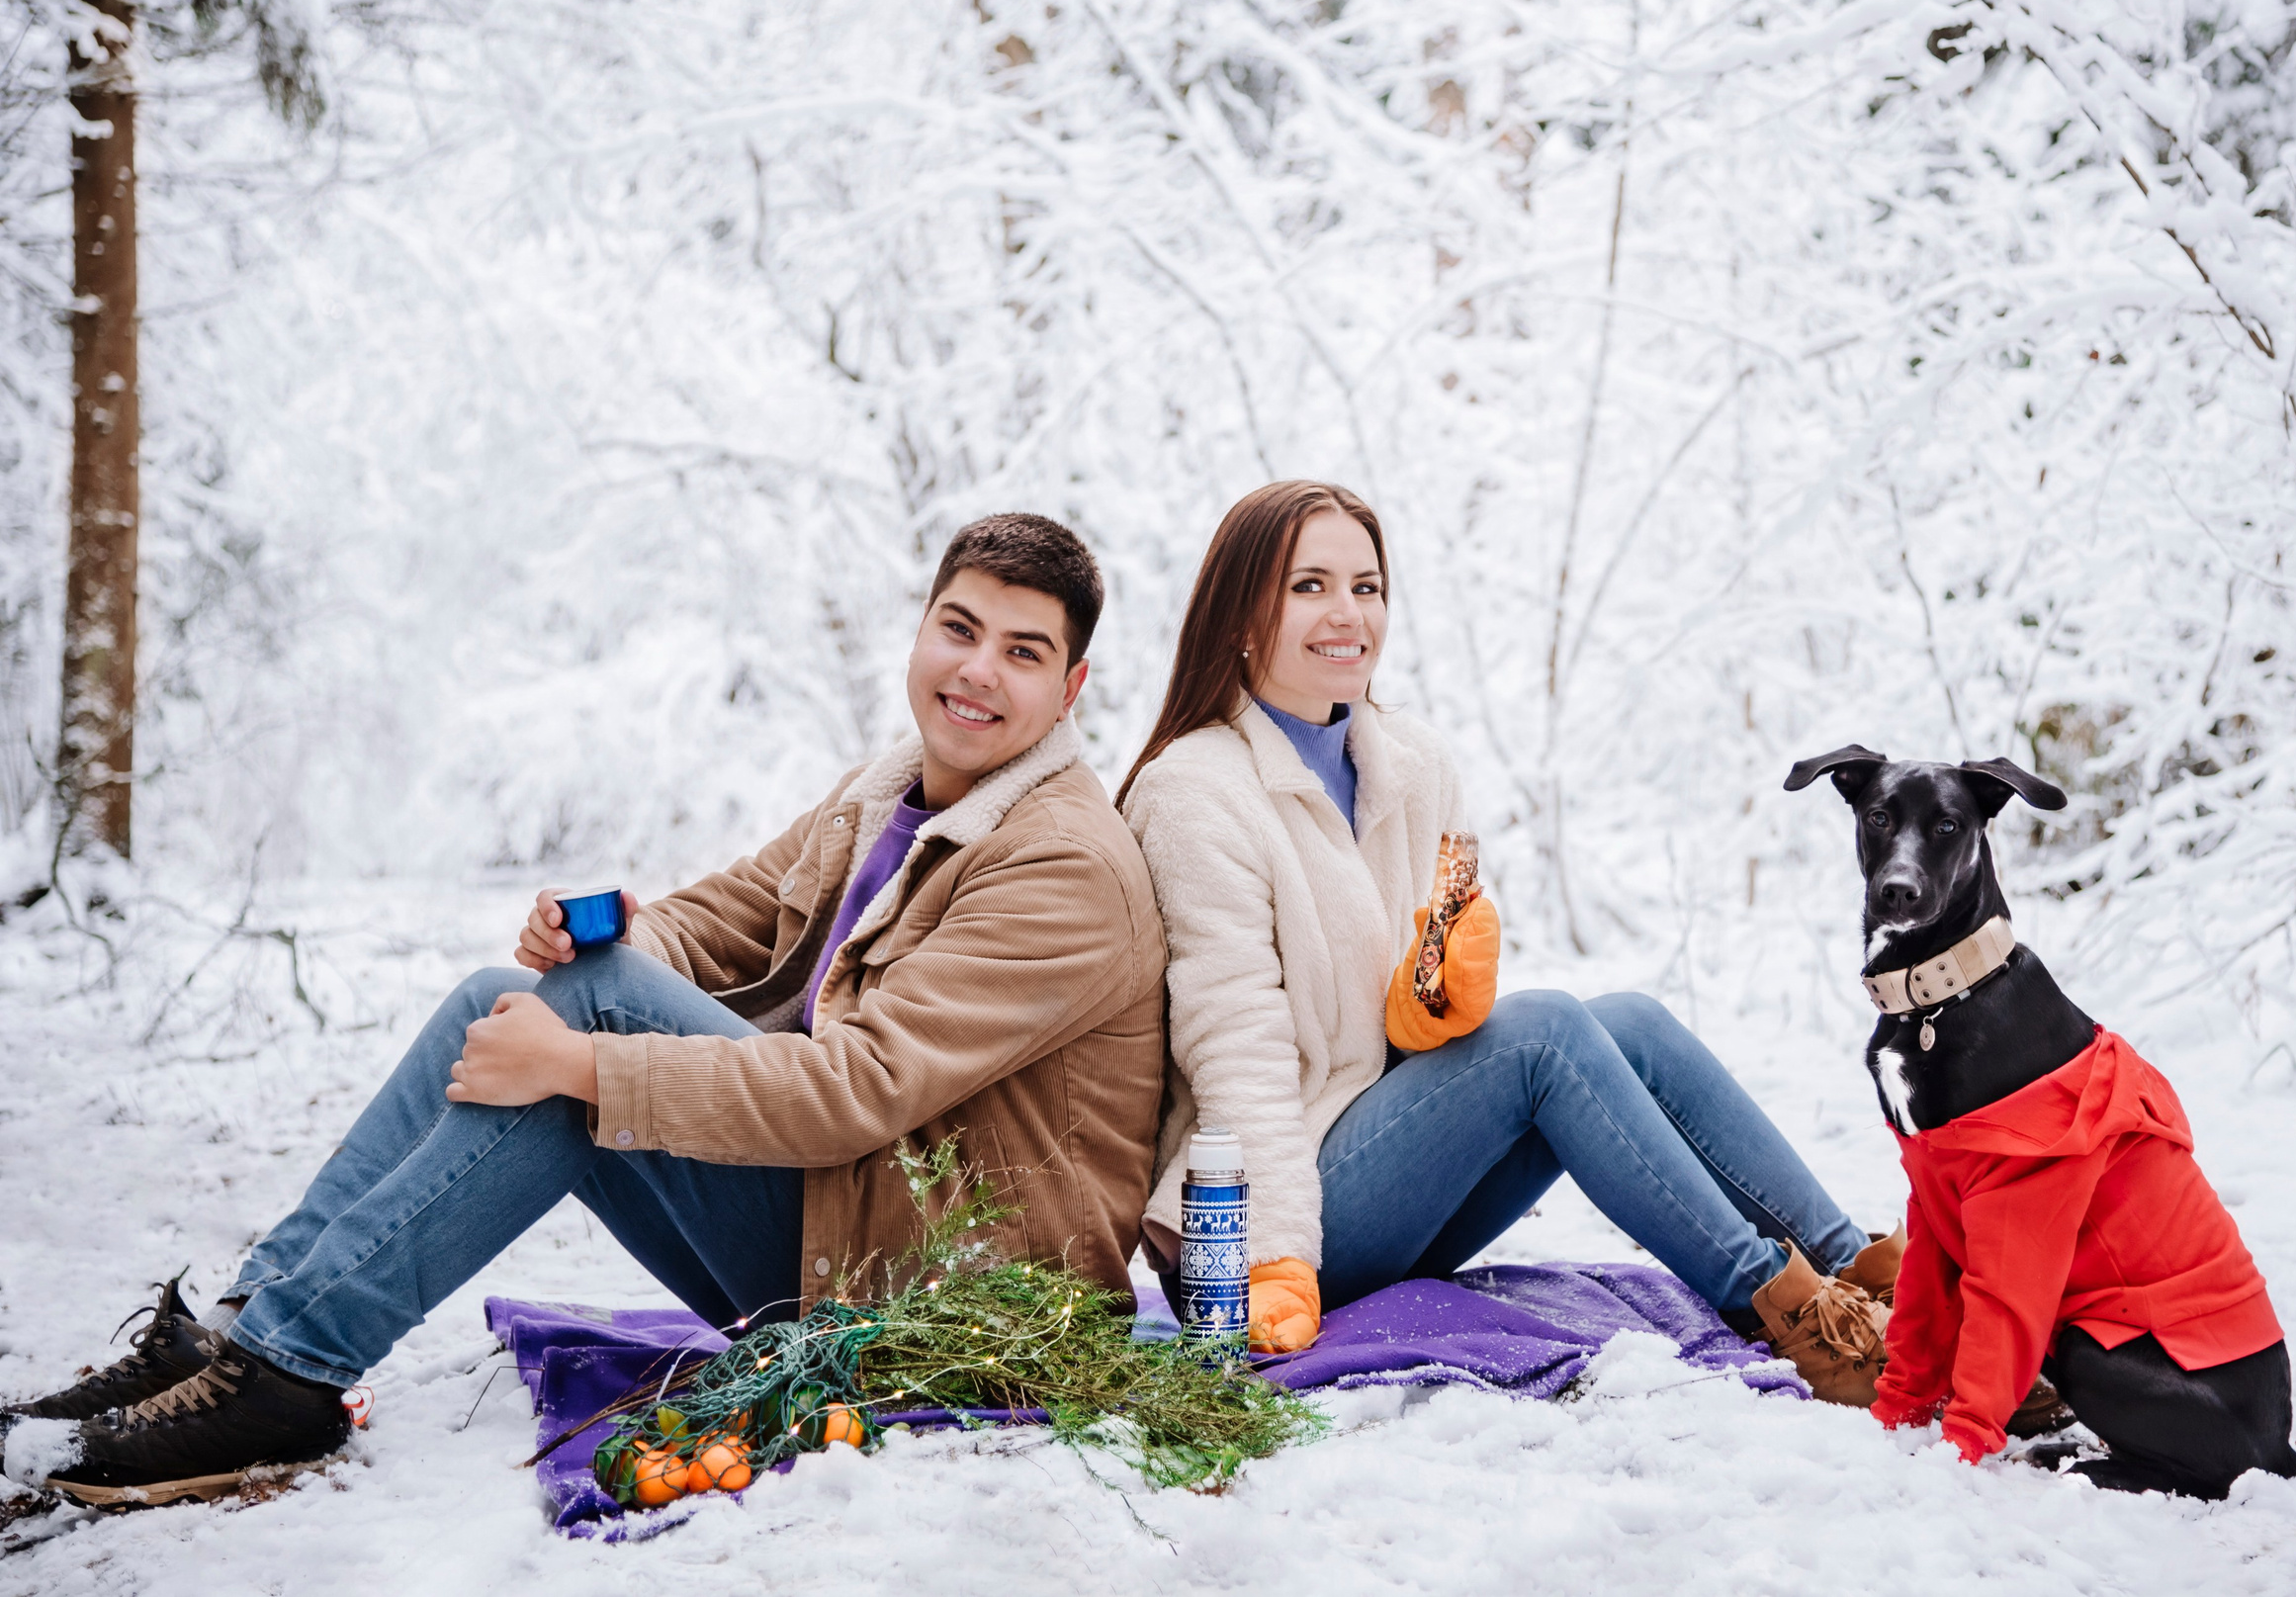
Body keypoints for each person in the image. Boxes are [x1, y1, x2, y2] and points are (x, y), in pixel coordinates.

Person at [4, 514, 1168, 1506]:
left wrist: (588, 1055)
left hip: (946, 1299)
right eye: (959, 630)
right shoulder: (894, 788)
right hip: (847, 1225)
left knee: (578, 1048)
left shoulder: (1060, 862)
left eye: (1022, 652)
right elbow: (729, 914)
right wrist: (604, 936)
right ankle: (241, 1332)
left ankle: (285, 1371)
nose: (977, 670)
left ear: (1069, 690)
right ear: (918, 631)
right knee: (507, 999)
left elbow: (855, 1091)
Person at [1118, 481, 1897, 1400]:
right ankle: (1802, 1319)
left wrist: (1434, 1002)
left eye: (1367, 588)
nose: (1347, 614)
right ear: (1241, 611)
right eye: (1308, 585)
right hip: (1258, 1228)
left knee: (1631, 1023)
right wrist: (1278, 1252)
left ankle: (1877, 1278)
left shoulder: (1410, 761)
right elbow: (1234, 1047)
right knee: (1545, 1033)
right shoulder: (1194, 792)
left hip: (1382, 1152)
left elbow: (1422, 990)